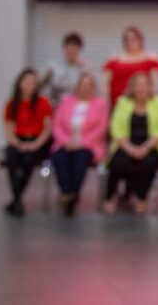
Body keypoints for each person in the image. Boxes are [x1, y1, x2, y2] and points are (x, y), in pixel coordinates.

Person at [103, 72, 158, 215]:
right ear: (131, 88)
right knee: (117, 163)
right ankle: (109, 197)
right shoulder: (123, 102)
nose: (141, 88)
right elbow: (116, 129)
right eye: (138, 85)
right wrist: (130, 149)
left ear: (150, 87)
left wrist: (145, 148)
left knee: (150, 162)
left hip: (151, 146)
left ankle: (141, 197)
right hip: (125, 145)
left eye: (145, 85)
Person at [51, 72, 108, 215]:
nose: (85, 88)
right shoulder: (66, 101)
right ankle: (66, 192)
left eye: (89, 85)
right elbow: (56, 125)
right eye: (82, 85)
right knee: (59, 157)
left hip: (89, 145)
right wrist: (66, 141)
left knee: (80, 158)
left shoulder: (101, 104)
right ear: (77, 87)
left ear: (93, 87)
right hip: (65, 143)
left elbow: (101, 128)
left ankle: (74, 194)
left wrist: (81, 142)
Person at [2, 69, 53, 217]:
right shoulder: (11, 105)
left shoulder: (43, 103)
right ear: (20, 83)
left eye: (33, 83)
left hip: (38, 141)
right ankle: (17, 199)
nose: (30, 85)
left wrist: (35, 144)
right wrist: (17, 143)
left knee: (28, 159)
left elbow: (47, 129)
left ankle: (16, 200)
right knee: (11, 156)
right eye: (27, 82)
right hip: (18, 139)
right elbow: (9, 130)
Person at [103, 27, 158, 107]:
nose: (131, 42)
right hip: (117, 105)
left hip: (143, 107)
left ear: (140, 40)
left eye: (134, 39)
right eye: (128, 39)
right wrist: (106, 103)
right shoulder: (115, 59)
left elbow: (156, 85)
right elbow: (105, 84)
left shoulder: (150, 58)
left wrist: (153, 104)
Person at [40, 32, 88, 109]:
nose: (71, 51)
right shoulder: (52, 67)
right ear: (64, 48)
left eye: (75, 48)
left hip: (76, 108)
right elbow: (38, 85)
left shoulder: (84, 69)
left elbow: (92, 90)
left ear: (80, 50)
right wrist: (45, 100)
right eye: (68, 48)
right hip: (55, 107)